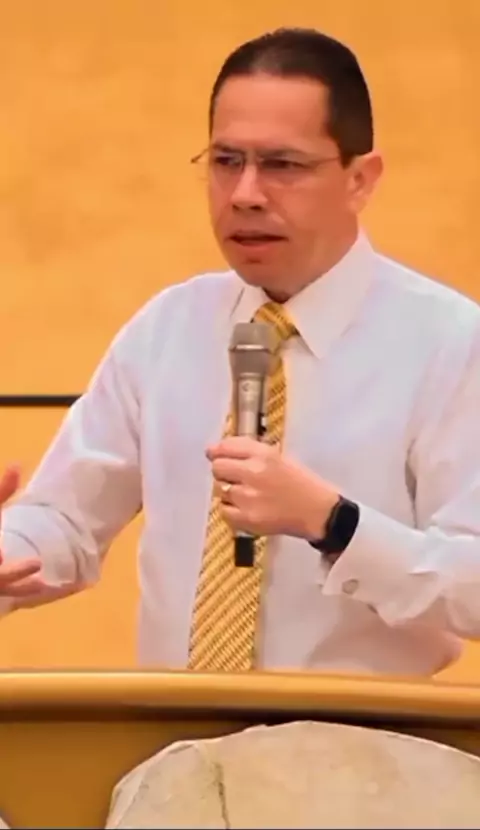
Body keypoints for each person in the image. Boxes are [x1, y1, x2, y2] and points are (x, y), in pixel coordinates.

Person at [1, 26, 480, 677]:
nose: (245, 193)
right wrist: (10, 549)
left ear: (360, 179)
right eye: (227, 161)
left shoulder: (449, 343)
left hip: (359, 733)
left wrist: (335, 524)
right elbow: (64, 522)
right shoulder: (168, 329)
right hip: (176, 730)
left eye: (282, 165)